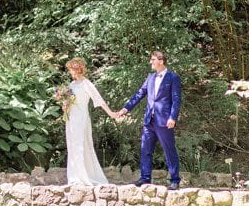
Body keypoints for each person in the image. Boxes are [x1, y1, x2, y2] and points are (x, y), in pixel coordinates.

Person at [117, 50, 183, 190]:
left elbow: (176, 99)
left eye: (153, 59)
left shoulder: (173, 77)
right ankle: (145, 178)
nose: (150, 62)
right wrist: (125, 109)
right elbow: (139, 94)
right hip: (149, 120)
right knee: (145, 149)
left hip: (165, 121)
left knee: (169, 150)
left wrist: (173, 117)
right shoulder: (150, 77)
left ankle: (175, 180)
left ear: (161, 61)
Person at [63, 57, 119, 186]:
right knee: (72, 145)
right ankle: (74, 176)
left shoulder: (86, 83)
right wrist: (65, 106)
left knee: (81, 144)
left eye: (71, 70)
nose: (70, 72)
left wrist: (111, 113)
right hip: (71, 118)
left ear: (77, 70)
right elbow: (70, 102)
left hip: (81, 117)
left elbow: (98, 99)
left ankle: (84, 176)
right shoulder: (71, 85)